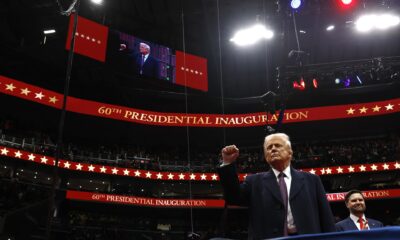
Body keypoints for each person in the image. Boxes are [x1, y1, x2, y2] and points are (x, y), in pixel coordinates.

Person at [217, 133, 335, 239]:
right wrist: (227, 163)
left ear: (290, 152)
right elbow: (233, 198)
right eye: (269, 147)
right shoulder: (254, 181)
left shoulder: (312, 180)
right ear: (265, 155)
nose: (273, 149)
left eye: (278, 145)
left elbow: (326, 218)